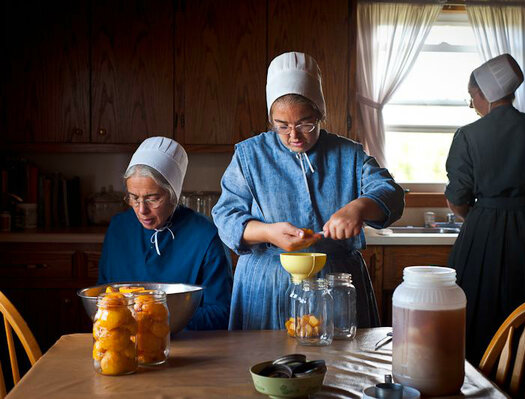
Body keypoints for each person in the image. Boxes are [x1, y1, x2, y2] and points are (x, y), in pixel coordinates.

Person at [212, 51, 404, 330]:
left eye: (305, 123)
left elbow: (390, 192)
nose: (294, 135)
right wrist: (268, 232)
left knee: (338, 366)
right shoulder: (249, 155)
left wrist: (359, 207)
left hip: (335, 282)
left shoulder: (348, 154)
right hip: (266, 282)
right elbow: (226, 216)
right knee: (263, 364)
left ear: (320, 114)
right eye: (282, 127)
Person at [445, 54, 525, 363]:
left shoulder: (468, 135)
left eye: (472, 95)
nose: (472, 102)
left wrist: (475, 218)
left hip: (481, 232)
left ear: (483, 94)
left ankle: (478, 382)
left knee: (477, 313)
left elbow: (457, 197)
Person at [98, 136, 233, 330]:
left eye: (152, 199)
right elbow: (103, 296)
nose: (141, 209)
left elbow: (221, 313)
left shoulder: (206, 237)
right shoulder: (119, 228)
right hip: (123, 340)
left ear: (173, 195)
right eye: (134, 198)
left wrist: (158, 320)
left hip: (190, 347)